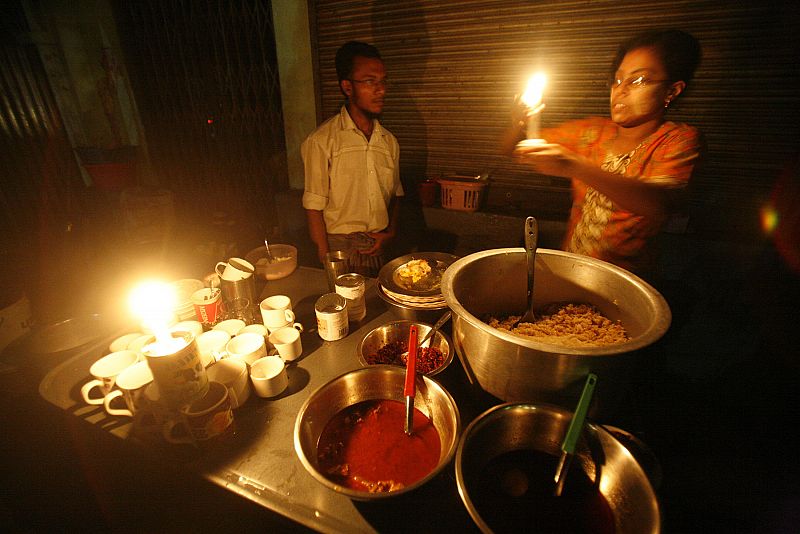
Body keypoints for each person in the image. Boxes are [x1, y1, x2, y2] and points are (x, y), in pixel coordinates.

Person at [503, 29, 703, 279]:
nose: (621, 90)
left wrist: (575, 166)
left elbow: (660, 205)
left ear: (672, 91)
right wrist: (518, 123)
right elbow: (513, 148)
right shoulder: (592, 132)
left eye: (638, 80)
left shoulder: (676, 140)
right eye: (618, 80)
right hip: (571, 269)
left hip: (625, 283)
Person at [302, 41, 403, 277]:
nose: (381, 90)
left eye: (383, 81)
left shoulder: (389, 142)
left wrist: (391, 233)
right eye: (370, 81)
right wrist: (327, 259)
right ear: (347, 87)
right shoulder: (322, 140)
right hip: (339, 249)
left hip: (377, 247)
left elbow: (397, 195)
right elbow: (313, 207)